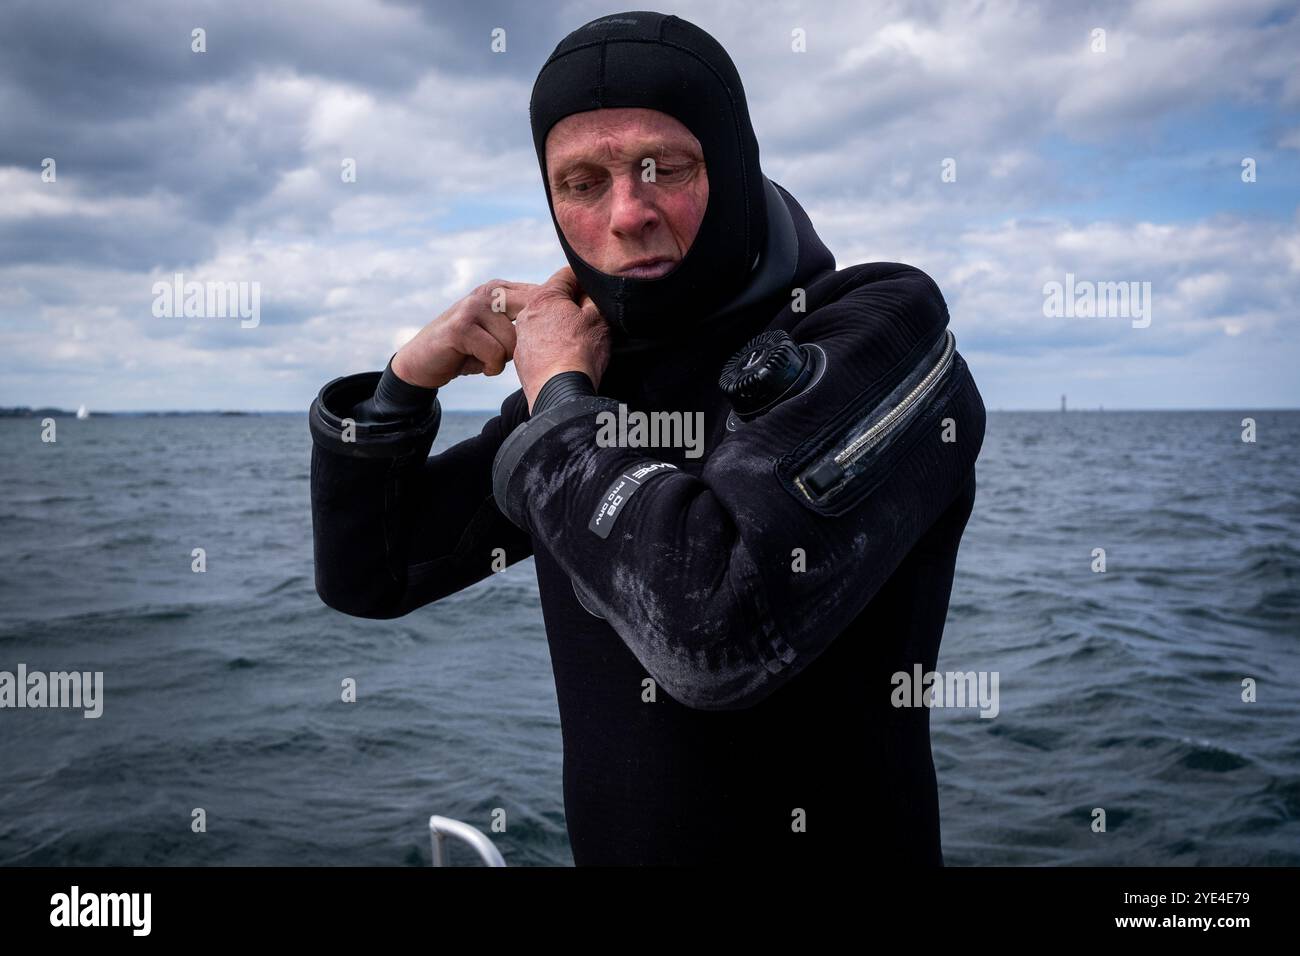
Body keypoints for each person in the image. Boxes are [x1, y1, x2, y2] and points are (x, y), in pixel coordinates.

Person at [308, 10, 985, 866]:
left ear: (735, 164)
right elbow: (373, 572)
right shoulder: (592, 386)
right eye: (582, 182)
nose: (627, 212)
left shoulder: (881, 334)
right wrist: (402, 385)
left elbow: (714, 633)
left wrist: (556, 400)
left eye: (665, 166)